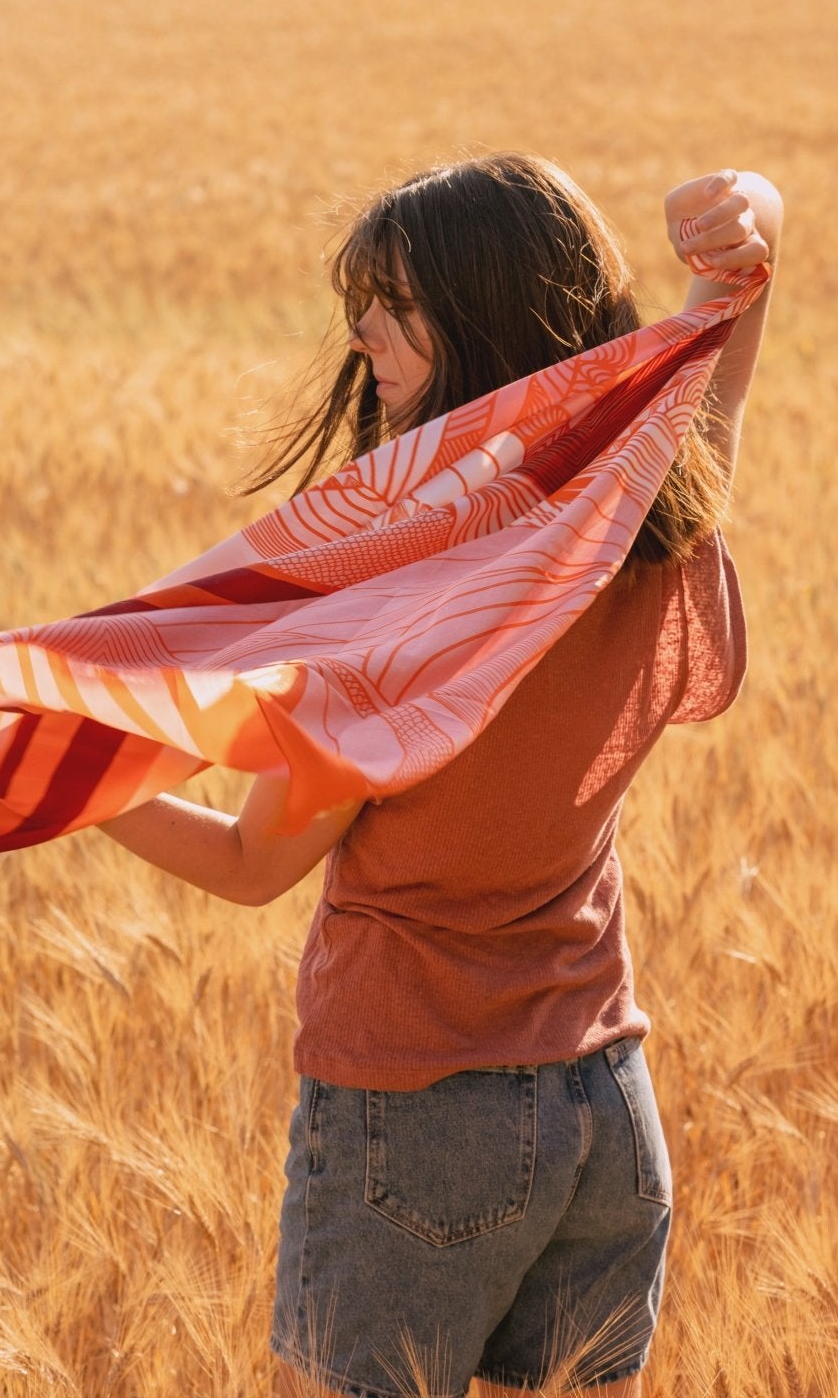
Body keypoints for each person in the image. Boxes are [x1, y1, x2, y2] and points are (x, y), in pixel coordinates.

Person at [97, 153, 782, 1398]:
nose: (360, 330)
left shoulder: (396, 593)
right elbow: (729, 322)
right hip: (605, 1114)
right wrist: (748, 214)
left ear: (486, 321)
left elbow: (254, 864)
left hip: (415, 1118)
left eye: (395, 303)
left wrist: (85, 780)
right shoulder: (645, 524)